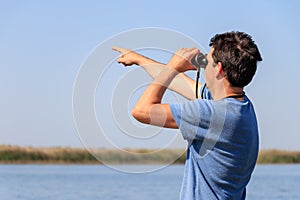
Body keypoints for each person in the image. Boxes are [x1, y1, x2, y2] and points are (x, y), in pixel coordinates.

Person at [112, 31, 262, 200]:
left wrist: (173, 67)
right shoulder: (241, 107)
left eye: (208, 60)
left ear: (218, 69)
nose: (204, 65)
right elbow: (180, 83)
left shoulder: (213, 115)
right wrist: (139, 59)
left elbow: (141, 111)